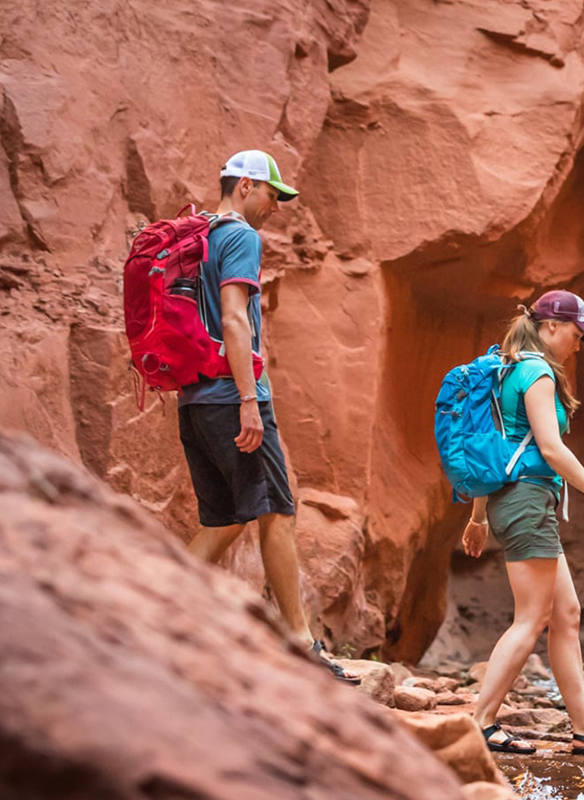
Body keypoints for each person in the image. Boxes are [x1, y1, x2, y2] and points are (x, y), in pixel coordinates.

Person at [178, 149, 356, 684]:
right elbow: (235, 320)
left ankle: (156, 609)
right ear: (247, 186)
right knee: (277, 510)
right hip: (232, 397)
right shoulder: (238, 237)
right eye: (274, 195)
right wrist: (249, 400)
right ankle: (302, 643)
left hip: (194, 399)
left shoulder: (198, 237)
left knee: (226, 518)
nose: (277, 208)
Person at [463, 290, 584, 755]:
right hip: (526, 501)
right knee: (532, 617)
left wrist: (480, 515)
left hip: (514, 499)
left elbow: (496, 446)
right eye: (576, 334)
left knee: (565, 614)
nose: (578, 344)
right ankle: (479, 724)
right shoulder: (537, 371)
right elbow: (550, 448)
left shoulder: (506, 367)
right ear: (549, 328)